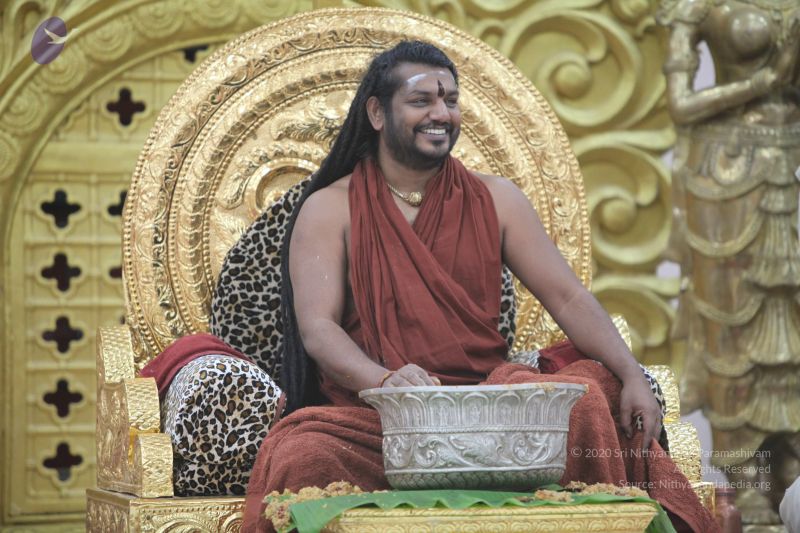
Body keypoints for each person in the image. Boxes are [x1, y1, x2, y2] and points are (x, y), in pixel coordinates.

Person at [240, 41, 717, 532]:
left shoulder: (498, 199)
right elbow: (319, 329)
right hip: (381, 419)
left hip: (487, 413)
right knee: (303, 455)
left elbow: (568, 297)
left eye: (450, 100)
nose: (441, 113)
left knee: (587, 399)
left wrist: (633, 375)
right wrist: (383, 382)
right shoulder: (330, 208)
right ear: (377, 113)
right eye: (421, 100)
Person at [658, 0, 800, 523]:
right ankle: (748, 476)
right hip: (727, 172)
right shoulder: (697, 5)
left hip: (794, 161)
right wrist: (765, 81)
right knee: (732, 324)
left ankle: (792, 465)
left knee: (794, 325)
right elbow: (680, 105)